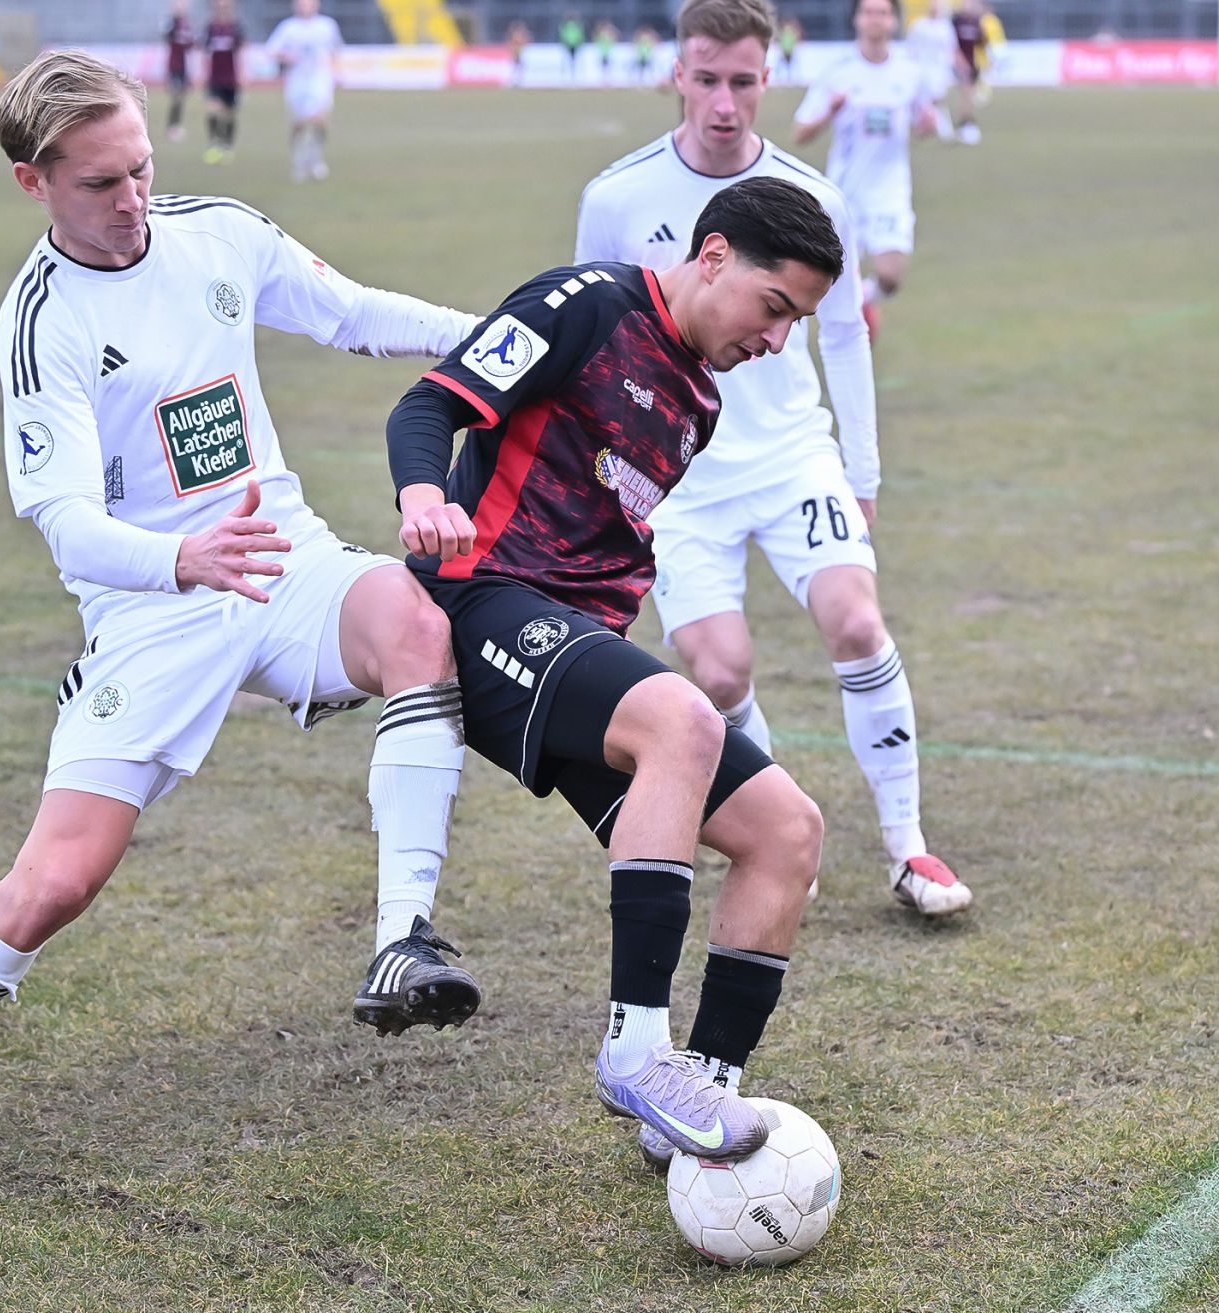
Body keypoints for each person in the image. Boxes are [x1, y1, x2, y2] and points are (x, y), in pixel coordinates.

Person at [0, 50, 483, 1208]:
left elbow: (351, 312)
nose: (133, 199)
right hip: (149, 608)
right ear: (34, 183)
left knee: (416, 625)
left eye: (141, 168)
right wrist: (181, 557)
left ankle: (402, 938)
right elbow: (68, 523)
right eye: (101, 183)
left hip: (278, 556)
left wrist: (500, 341)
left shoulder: (217, 232)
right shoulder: (41, 322)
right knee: (54, 883)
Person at [388, 176, 841, 1166]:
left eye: (796, 324)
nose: (777, 340)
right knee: (686, 716)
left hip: (575, 648)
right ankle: (636, 1050)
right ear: (713, 255)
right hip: (482, 601)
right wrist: (423, 495)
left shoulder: (701, 400)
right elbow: (428, 406)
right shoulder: (585, 304)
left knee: (788, 831)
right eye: (774, 307)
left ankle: (696, 1101)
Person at [576, 0, 973, 970]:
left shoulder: (812, 197)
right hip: (679, 481)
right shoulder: (617, 196)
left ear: (769, 78)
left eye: (743, 81)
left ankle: (908, 844)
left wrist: (861, 471)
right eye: (707, 79)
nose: (724, 102)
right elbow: (595, 338)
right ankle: (784, 819)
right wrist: (605, 485)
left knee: (857, 622)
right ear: (678, 74)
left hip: (795, 456)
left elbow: (846, 337)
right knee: (718, 676)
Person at [793, 0, 930, 337]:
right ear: (856, 19)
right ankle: (846, 332)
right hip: (845, 191)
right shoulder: (838, 71)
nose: (875, 19)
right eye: (868, 12)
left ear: (893, 21)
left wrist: (926, 124)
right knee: (831, 278)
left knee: (891, 277)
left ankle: (863, 302)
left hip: (890, 190)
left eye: (882, 13)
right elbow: (801, 132)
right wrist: (830, 111)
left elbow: (922, 120)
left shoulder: (910, 71)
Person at [262, 0, 345, 183]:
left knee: (319, 120)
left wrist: (338, 72)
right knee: (298, 124)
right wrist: (285, 56)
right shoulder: (288, 27)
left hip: (319, 80)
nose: (305, 6)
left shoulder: (327, 25)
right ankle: (298, 161)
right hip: (296, 82)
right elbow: (271, 50)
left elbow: (336, 50)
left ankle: (316, 158)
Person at [905, 0, 958, 141]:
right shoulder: (919, 25)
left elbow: (951, 47)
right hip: (922, 68)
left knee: (936, 98)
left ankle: (939, 127)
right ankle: (936, 127)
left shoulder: (945, 27)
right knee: (923, 99)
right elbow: (911, 46)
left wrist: (951, 64)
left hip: (939, 69)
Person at [201, 0, 244, 164]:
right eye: (219, 6)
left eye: (225, 6)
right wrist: (202, 72)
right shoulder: (210, 28)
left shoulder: (236, 28)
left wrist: (243, 73)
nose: (222, 9)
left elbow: (241, 52)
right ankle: (214, 144)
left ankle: (227, 146)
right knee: (212, 110)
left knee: (230, 113)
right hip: (215, 78)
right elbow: (204, 51)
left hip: (231, 78)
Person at [950, 0, 986, 143]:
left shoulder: (976, 22)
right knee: (966, 92)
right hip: (960, 64)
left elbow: (981, 42)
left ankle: (967, 120)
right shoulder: (956, 22)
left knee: (970, 94)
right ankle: (964, 122)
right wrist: (959, 61)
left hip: (972, 63)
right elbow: (952, 43)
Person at [163, 0, 195, 142]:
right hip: (174, 66)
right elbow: (167, 38)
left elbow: (190, 44)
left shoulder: (187, 24)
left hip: (184, 66)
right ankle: (171, 127)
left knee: (181, 97)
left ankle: (175, 126)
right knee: (176, 96)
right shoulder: (171, 23)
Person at [559, 13, 586, 82]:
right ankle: (572, 74)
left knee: (570, 59)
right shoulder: (576, 26)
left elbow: (563, 34)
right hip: (573, 44)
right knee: (572, 59)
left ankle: (571, 74)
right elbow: (580, 35)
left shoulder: (566, 26)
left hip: (570, 44)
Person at [775, 11, 802, 77]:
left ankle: (781, 75)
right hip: (788, 50)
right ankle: (791, 76)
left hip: (787, 50)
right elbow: (797, 38)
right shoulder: (790, 31)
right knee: (788, 64)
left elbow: (779, 39)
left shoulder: (784, 31)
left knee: (785, 63)